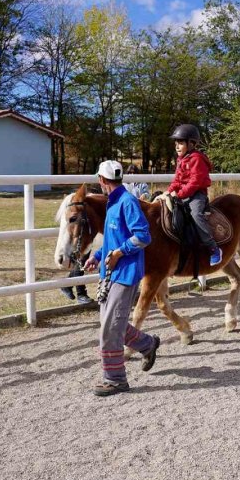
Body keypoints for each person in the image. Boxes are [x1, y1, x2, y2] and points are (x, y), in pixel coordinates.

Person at [83, 160, 161, 397]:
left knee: (110, 327)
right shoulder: (112, 203)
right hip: (111, 272)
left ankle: (115, 379)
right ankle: (147, 344)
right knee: (112, 323)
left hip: (126, 274)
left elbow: (143, 237)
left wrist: (119, 253)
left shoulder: (126, 202)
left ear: (101, 180)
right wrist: (98, 255)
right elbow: (112, 237)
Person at [164, 124, 222, 266]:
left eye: (181, 142)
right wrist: (168, 191)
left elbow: (195, 182)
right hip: (184, 193)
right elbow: (177, 180)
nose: (177, 146)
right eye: (176, 143)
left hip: (197, 194)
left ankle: (213, 247)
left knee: (196, 215)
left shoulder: (197, 159)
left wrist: (180, 194)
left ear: (192, 144)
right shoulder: (181, 159)